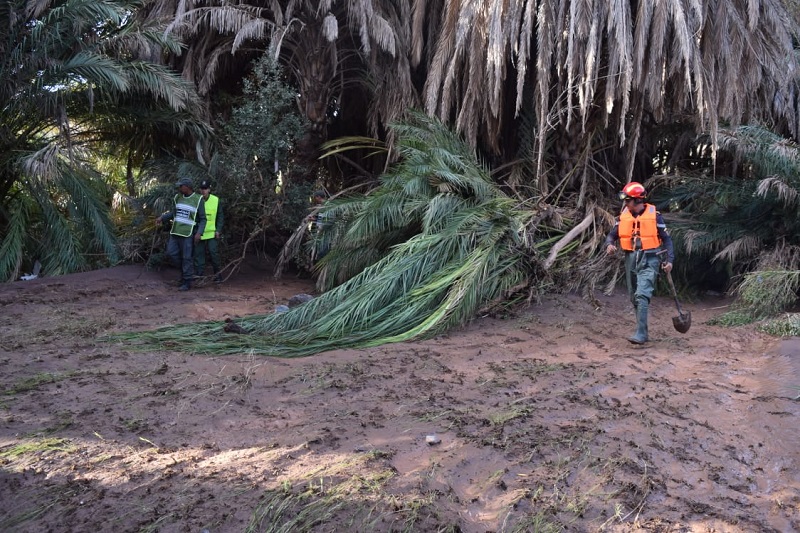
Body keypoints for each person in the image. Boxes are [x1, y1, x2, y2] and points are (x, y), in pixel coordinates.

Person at [604, 181, 674, 344]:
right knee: (633, 296)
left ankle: (641, 333)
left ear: (637, 200)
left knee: (642, 294)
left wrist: (670, 260)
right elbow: (611, 235)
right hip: (631, 258)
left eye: (628, 200)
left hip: (650, 258)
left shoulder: (655, 216)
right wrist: (609, 245)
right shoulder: (624, 217)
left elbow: (667, 240)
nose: (625, 203)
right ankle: (643, 331)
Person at [156, 177, 206, 291]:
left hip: (188, 234)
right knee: (171, 253)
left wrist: (199, 233)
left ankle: (187, 281)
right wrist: (162, 218)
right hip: (175, 231)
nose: (179, 188)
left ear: (187, 187)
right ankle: (185, 273)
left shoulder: (198, 199)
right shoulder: (177, 197)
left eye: (181, 186)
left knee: (187, 258)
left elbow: (203, 219)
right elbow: (174, 213)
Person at [194, 179, 224, 283]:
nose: (203, 191)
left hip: (212, 233)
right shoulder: (196, 200)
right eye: (202, 189)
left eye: (205, 188)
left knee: (214, 253)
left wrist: (218, 230)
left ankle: (218, 275)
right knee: (199, 255)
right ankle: (199, 276)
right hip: (199, 233)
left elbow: (220, 216)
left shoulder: (215, 200)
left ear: (209, 189)